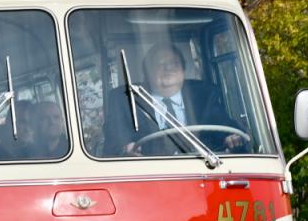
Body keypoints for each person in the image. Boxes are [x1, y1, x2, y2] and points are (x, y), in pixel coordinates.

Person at [101, 42, 247, 157]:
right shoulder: (125, 101)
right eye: (160, 64)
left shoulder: (204, 96)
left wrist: (232, 138)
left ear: (183, 70)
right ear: (147, 73)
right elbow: (114, 144)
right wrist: (125, 150)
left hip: (202, 172)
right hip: (151, 179)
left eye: (174, 63)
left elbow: (228, 128)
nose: (168, 68)